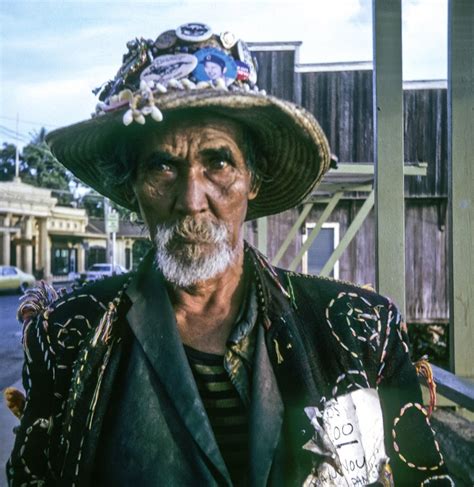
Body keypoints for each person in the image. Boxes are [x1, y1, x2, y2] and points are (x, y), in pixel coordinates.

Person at [6, 23, 453, 487]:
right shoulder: (69, 334)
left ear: (251, 180)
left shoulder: (357, 329)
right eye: (162, 166)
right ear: (132, 188)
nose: (191, 199)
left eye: (217, 163)